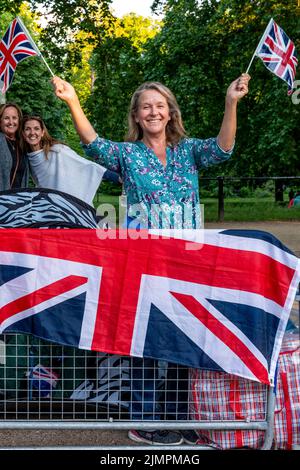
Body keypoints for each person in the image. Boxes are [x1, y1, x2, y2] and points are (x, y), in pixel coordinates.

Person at [52, 72, 250, 445]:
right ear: (137, 116)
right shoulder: (127, 155)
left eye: (160, 106)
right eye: (147, 107)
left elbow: (223, 149)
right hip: (143, 262)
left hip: (187, 261)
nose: (154, 112)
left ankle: (178, 420)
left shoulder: (188, 151)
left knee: (182, 339)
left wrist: (230, 102)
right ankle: (144, 420)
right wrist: (73, 101)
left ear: (170, 113)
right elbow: (93, 145)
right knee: (144, 340)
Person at [22, 115, 120, 206]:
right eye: (27, 129)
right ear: (23, 133)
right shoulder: (26, 158)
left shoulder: (58, 151)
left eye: (36, 129)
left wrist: (117, 178)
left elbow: (85, 165)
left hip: (67, 205)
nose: (32, 133)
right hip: (47, 206)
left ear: (42, 132)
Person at [0, 102, 28, 191]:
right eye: (6, 118)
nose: (11, 122)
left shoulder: (23, 143)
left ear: (19, 120)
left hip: (19, 200)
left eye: (14, 118)